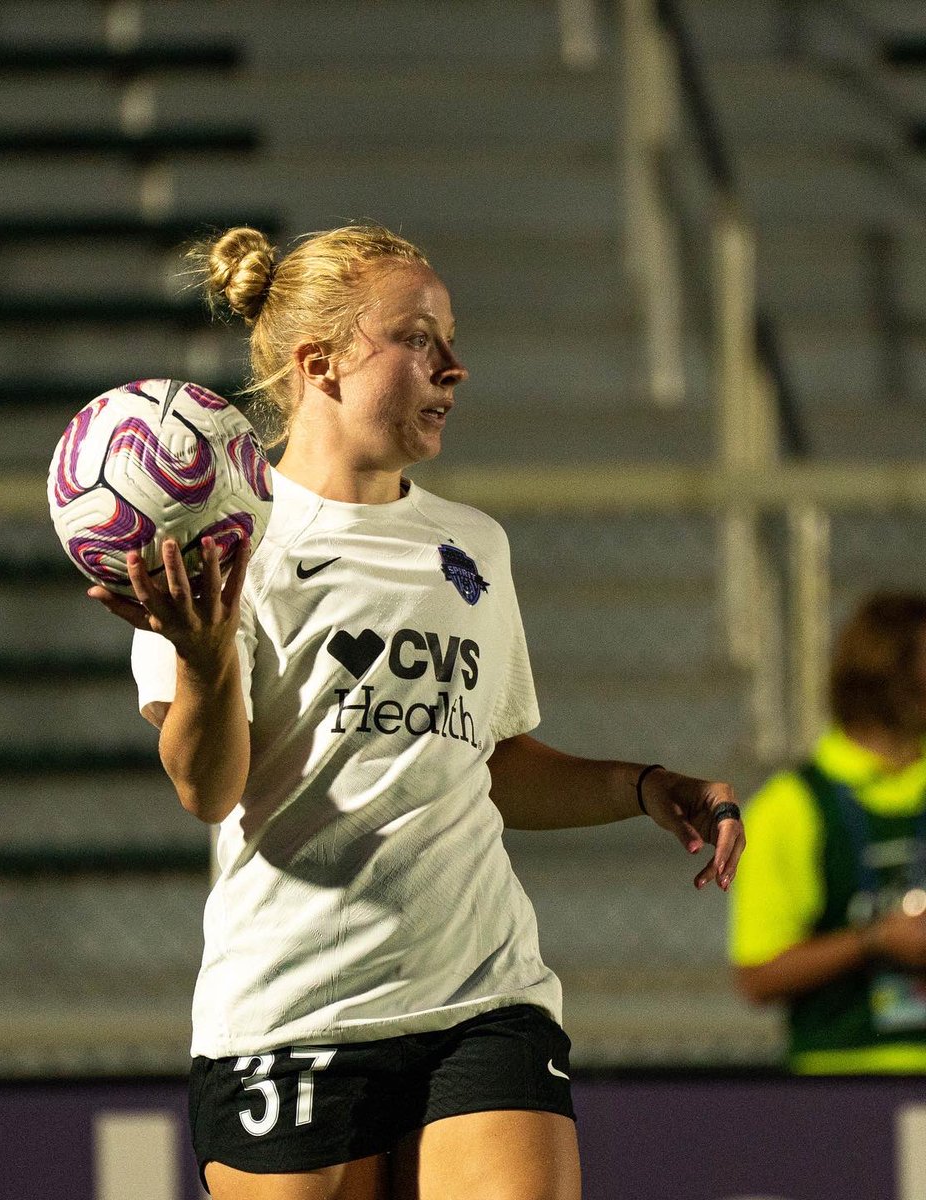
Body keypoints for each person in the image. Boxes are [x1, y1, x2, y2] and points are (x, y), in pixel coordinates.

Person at [90, 225, 744, 1200]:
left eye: (451, 340)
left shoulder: (473, 545)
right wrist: (201, 655)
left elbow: (488, 765)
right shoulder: (220, 543)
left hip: (483, 995)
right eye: (418, 339)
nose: (455, 367)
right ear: (321, 363)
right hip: (295, 1013)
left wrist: (644, 787)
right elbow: (208, 788)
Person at [731, 591, 926, 1074]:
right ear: (893, 675)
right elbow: (758, 976)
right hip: (838, 1084)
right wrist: (875, 940)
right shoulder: (790, 805)